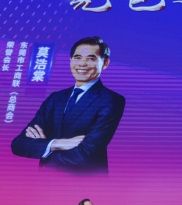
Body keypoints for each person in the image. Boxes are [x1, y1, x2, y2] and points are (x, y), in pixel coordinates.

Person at [11, 36, 126, 173]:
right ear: (70, 60)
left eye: (91, 58)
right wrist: (57, 144)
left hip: (85, 181)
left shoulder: (111, 100)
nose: (82, 64)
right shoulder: (55, 98)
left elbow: (84, 156)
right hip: (44, 180)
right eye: (77, 57)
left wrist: (43, 146)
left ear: (105, 63)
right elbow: (18, 144)